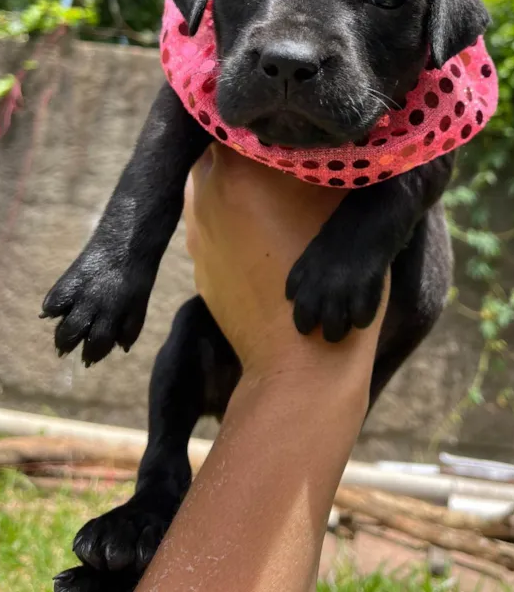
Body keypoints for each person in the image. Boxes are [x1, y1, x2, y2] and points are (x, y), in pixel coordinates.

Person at [135, 144, 390, 592]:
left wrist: (302, 368)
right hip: (236, 332)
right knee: (189, 326)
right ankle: (156, 493)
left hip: (344, 325)